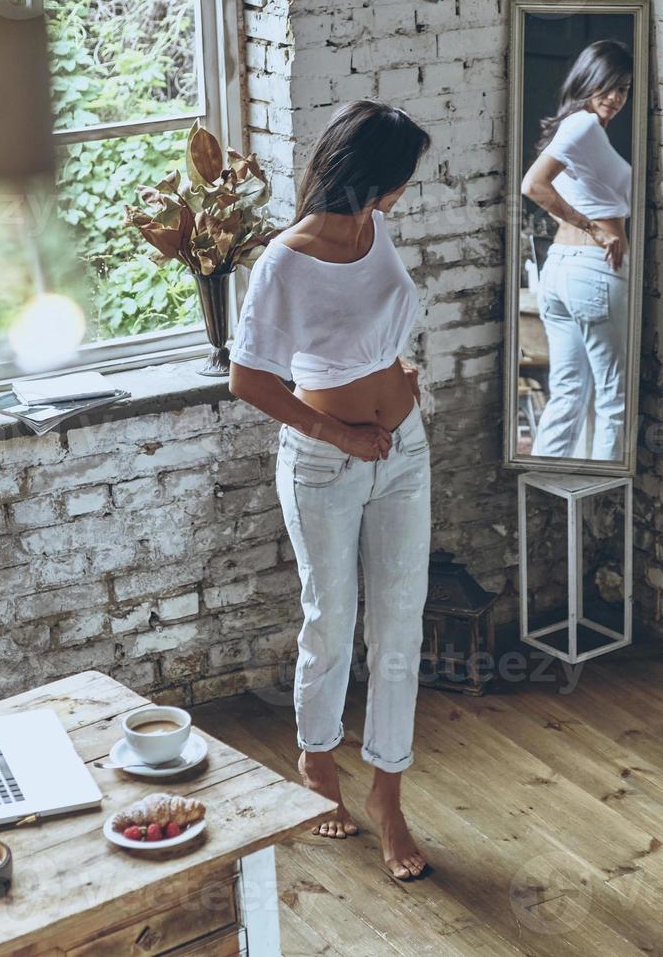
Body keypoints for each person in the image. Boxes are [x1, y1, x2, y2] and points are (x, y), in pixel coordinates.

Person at [228, 100, 433, 882]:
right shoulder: (284, 260)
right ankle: (317, 765)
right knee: (332, 618)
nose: (404, 194)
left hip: (404, 450)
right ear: (371, 176)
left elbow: (370, 327)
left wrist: (396, 368)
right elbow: (248, 378)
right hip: (326, 462)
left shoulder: (374, 229)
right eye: (399, 180)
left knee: (399, 626)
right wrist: (342, 434)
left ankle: (388, 793)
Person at [520, 40, 634, 461]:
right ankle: (606, 507)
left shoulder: (574, 128)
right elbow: (533, 186)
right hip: (594, 271)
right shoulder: (584, 127)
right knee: (613, 399)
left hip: (560, 271)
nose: (616, 98)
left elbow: (555, 196)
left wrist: (579, 224)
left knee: (567, 392)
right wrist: (596, 230)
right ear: (587, 80)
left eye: (623, 89)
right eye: (607, 86)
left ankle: (544, 489)